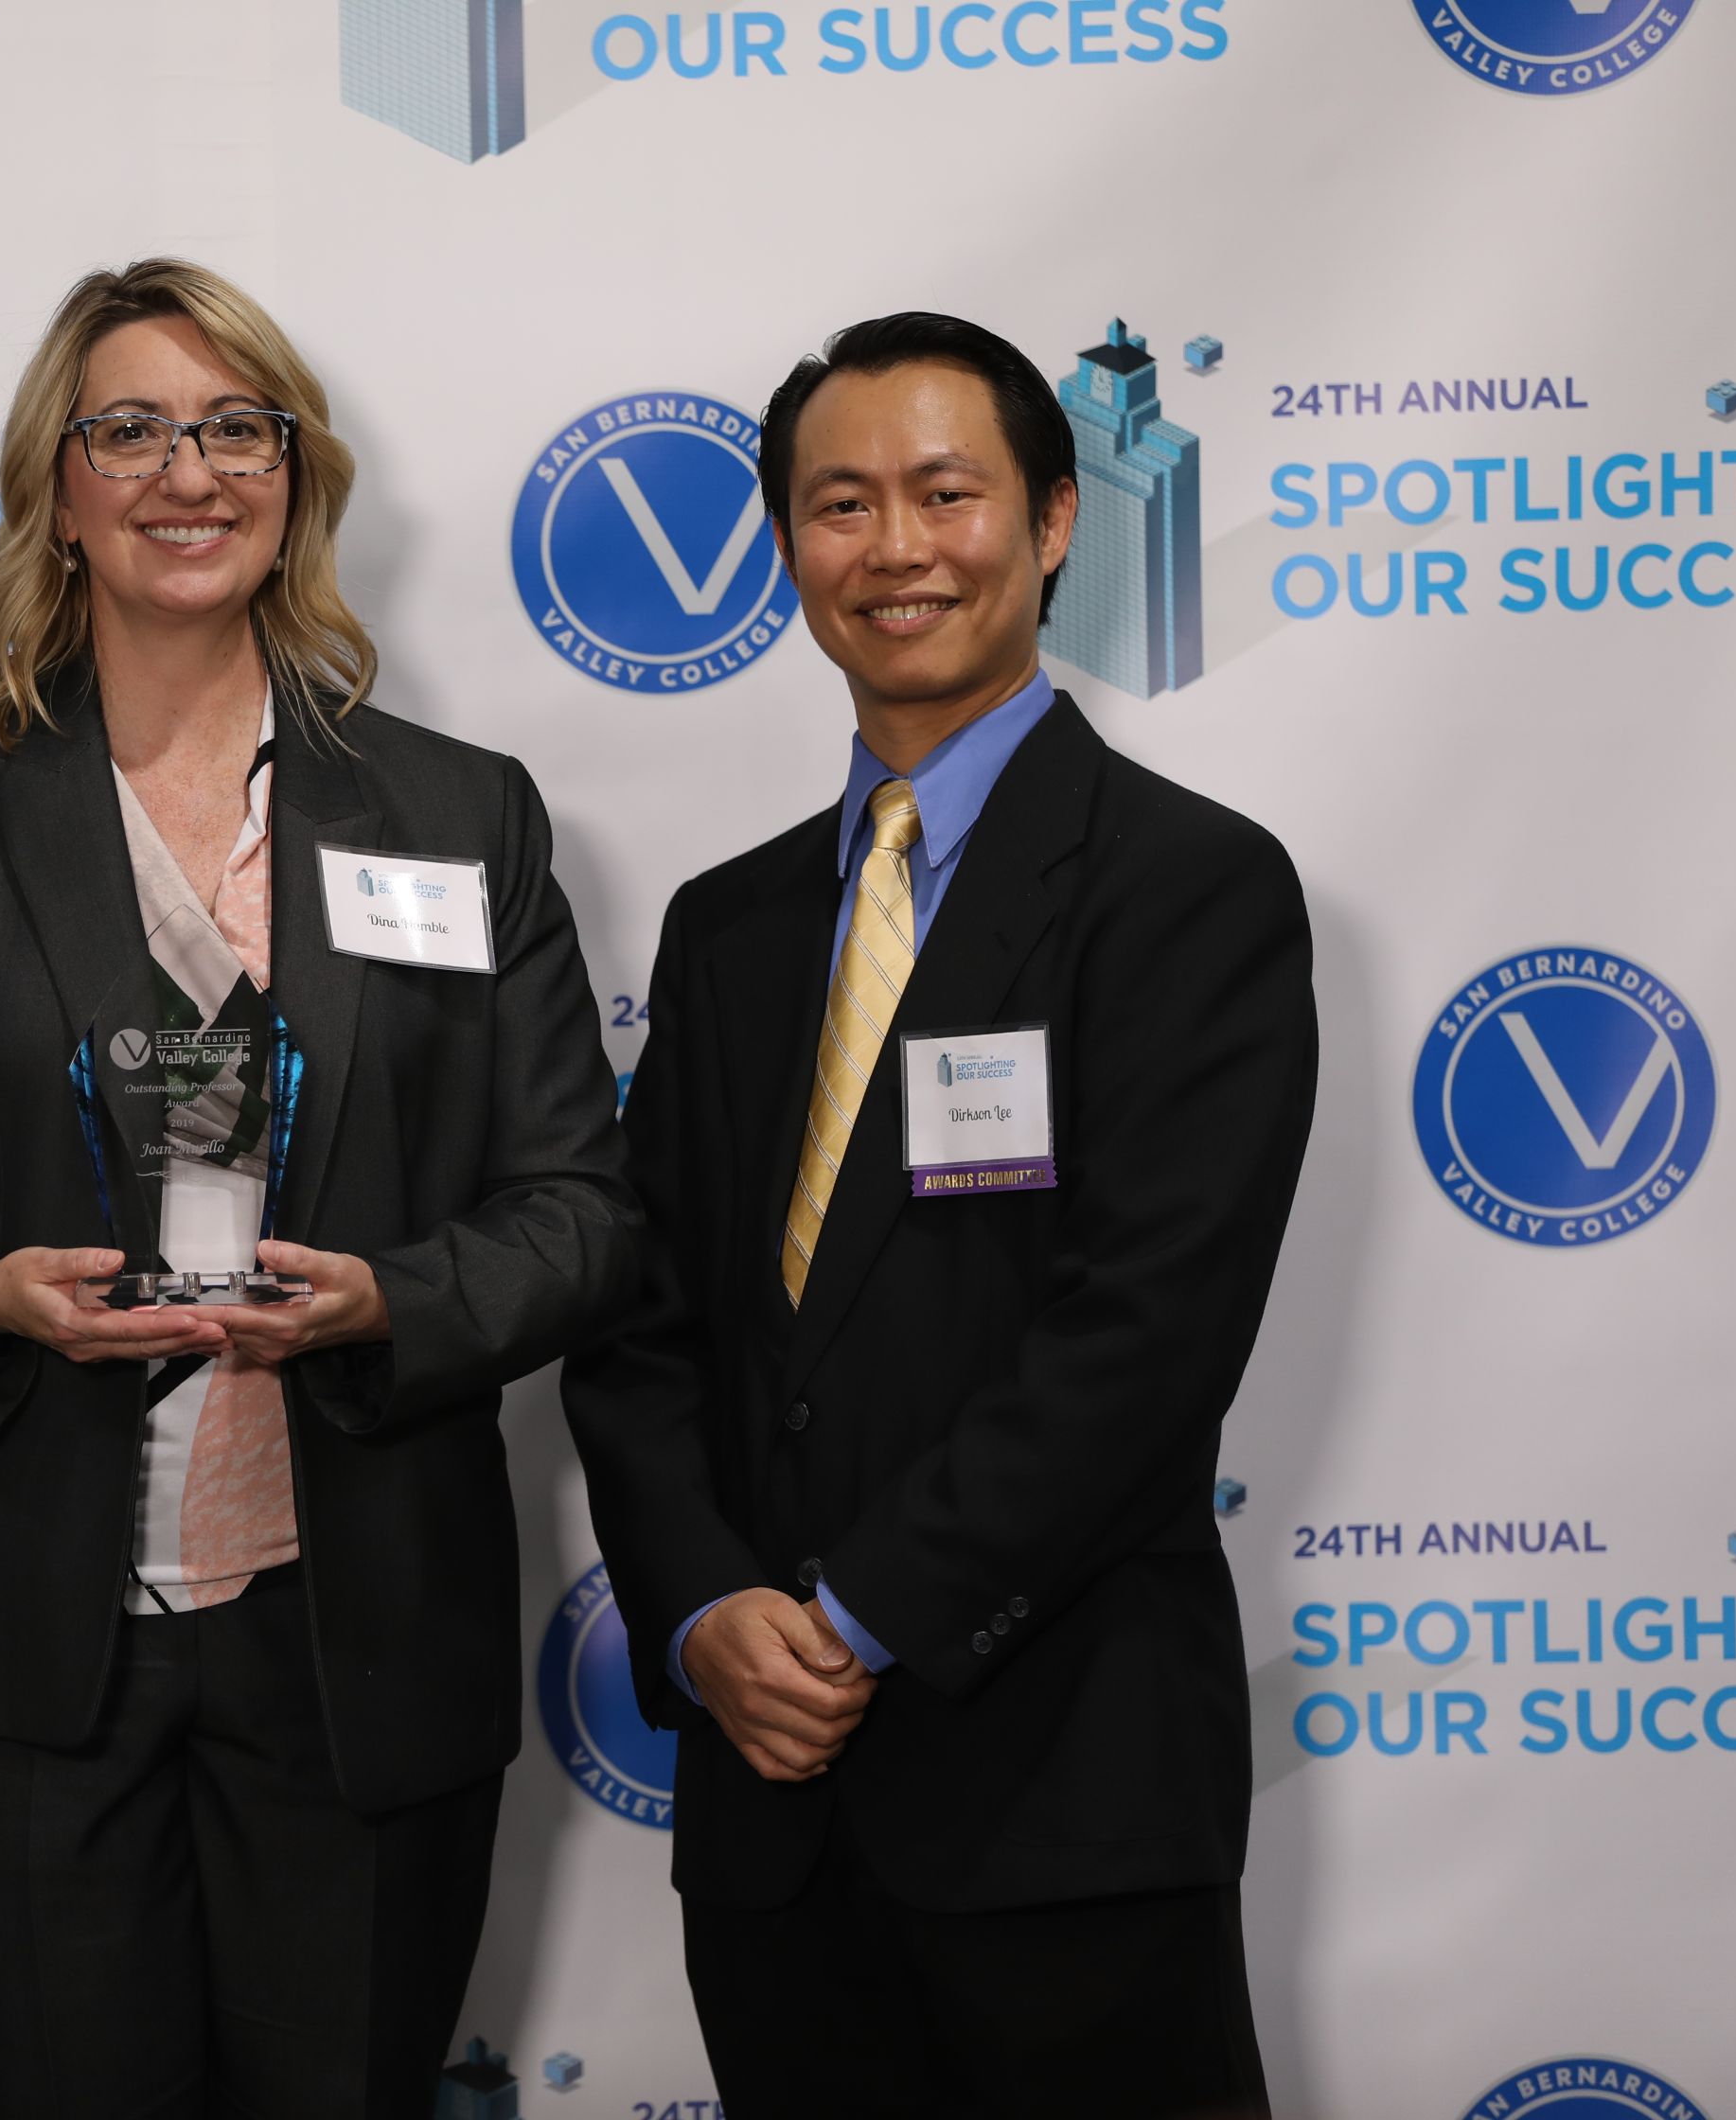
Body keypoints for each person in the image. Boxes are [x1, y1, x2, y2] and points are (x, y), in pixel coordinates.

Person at [0, 257, 638, 2118]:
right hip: (15, 1654)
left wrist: (390, 1303)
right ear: (56, 487)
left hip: (356, 1637)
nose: (189, 471)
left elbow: (578, 1209)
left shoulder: (456, 814)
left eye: (239, 428)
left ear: (296, 480)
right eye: (131, 430)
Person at [563, 312, 1314, 2119]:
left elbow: (1148, 1339)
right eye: (841, 504)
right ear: (788, 549)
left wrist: (861, 1614)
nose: (894, 547)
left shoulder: (1191, 888)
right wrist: (706, 1611)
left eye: (946, 492)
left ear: (1053, 522)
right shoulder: (730, 927)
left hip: (1065, 1797)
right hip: (772, 1819)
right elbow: (637, 1328)